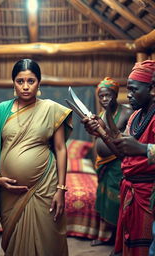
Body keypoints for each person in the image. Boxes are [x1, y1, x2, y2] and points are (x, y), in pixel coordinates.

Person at [0, 59, 72, 256]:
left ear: (39, 82)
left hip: (45, 187)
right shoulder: (1, 111)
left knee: (49, 240)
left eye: (31, 81)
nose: (25, 86)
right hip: (9, 193)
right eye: (20, 81)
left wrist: (61, 189)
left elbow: (60, 148)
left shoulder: (50, 109)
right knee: (14, 243)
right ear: (13, 83)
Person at [83, 60, 155, 256]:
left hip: (149, 196)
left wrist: (141, 148)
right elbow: (123, 154)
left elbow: (135, 149)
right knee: (128, 244)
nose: (129, 95)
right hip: (130, 192)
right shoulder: (136, 117)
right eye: (127, 89)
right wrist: (101, 131)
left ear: (152, 88)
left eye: (133, 89)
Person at [90, 77, 132, 246]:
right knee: (104, 198)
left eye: (108, 95)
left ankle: (118, 239)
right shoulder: (101, 114)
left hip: (118, 163)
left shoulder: (126, 112)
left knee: (116, 199)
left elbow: (119, 137)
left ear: (115, 95)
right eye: (101, 96)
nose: (105, 99)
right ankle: (107, 237)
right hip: (104, 164)